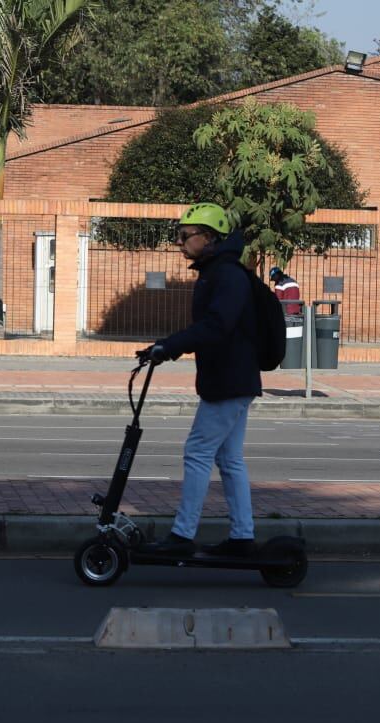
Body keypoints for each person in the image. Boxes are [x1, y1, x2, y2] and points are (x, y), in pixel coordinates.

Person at [138, 203, 259, 558]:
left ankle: (182, 534)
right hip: (232, 379)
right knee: (229, 458)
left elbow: (216, 326)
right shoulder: (216, 272)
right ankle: (242, 537)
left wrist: (169, 346)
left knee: (197, 452)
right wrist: (167, 347)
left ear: (208, 238)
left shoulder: (227, 275)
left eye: (185, 235)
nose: (179, 242)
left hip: (228, 380)